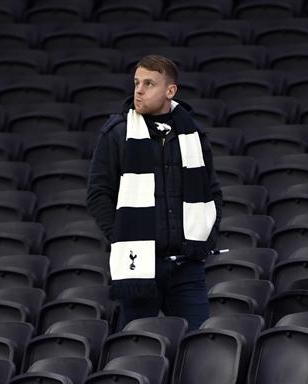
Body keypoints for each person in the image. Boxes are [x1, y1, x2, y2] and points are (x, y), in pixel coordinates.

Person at [86, 54, 223, 332]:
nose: (138, 90)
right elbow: (98, 195)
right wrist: (124, 235)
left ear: (170, 91)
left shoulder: (194, 134)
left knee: (197, 349)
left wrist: (206, 237)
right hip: (139, 266)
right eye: (137, 82)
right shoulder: (117, 133)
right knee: (139, 352)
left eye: (149, 84)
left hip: (187, 268)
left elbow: (212, 193)